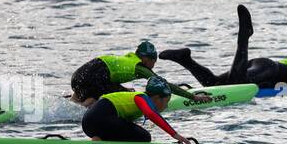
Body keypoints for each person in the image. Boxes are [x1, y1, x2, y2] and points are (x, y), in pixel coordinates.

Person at [161, 5, 287, 95]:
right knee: (237, 83)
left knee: (214, 85)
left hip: (263, 68)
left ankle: (185, 59)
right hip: (270, 70)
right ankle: (244, 35)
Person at [69, 40, 200, 104]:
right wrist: (192, 97)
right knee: (94, 100)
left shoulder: (129, 58)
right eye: (153, 61)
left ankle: (68, 109)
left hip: (79, 75)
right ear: (146, 59)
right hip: (95, 76)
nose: (153, 65)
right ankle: (82, 116)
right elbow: (164, 84)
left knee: (125, 92)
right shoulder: (139, 67)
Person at [81, 76, 197, 144]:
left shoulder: (138, 98)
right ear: (157, 98)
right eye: (165, 102)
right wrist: (175, 135)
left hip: (88, 123)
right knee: (144, 136)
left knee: (136, 132)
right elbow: (151, 114)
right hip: (99, 119)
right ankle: (100, 140)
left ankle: (99, 139)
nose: (166, 106)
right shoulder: (141, 98)